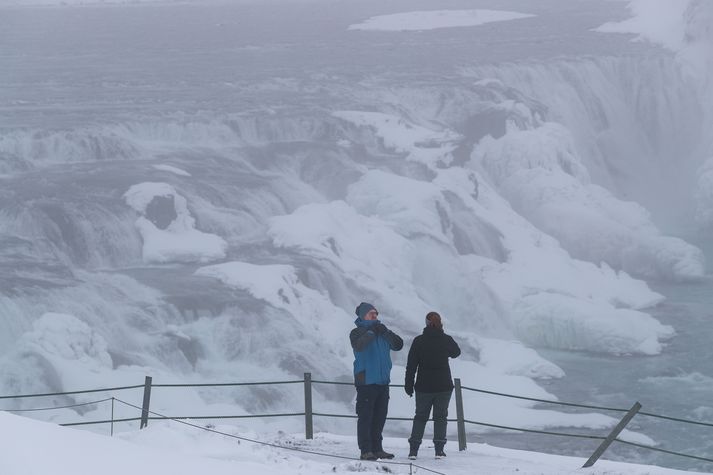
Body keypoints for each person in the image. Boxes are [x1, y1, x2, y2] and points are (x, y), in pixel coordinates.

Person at [350, 301, 404, 461]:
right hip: (366, 381)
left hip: (382, 381)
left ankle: (377, 448)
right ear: (363, 315)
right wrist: (371, 332)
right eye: (371, 313)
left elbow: (398, 345)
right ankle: (366, 450)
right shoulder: (356, 332)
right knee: (366, 416)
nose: (375, 315)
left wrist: (385, 332)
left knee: (380, 416)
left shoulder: (382, 331)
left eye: (376, 313)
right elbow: (359, 346)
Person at [404, 311, 461, 460]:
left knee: (420, 417)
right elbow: (456, 352)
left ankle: (413, 450)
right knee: (440, 417)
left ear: (426, 323)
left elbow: (411, 365)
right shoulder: (445, 339)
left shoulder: (419, 341)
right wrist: (442, 336)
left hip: (424, 387)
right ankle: (439, 450)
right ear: (440, 323)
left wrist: (408, 385)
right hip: (443, 386)